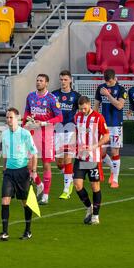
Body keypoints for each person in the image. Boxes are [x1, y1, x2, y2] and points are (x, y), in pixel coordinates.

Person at [0, 108, 38, 241]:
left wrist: (33, 172)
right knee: (5, 200)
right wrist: (4, 168)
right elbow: (5, 153)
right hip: (9, 173)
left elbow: (34, 153)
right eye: (7, 117)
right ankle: (4, 232)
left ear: (17, 118)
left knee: (25, 202)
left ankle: (28, 230)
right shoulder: (5, 134)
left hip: (22, 172)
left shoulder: (25, 134)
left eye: (11, 117)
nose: (8, 120)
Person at [23, 74, 63, 205]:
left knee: (46, 164)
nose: (38, 82)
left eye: (41, 81)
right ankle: (39, 184)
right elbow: (27, 112)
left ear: (47, 83)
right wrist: (26, 123)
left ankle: (45, 195)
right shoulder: (30, 96)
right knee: (29, 164)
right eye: (37, 80)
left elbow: (59, 118)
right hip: (33, 133)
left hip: (47, 133)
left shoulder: (52, 99)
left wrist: (45, 123)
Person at [73, 96, 110, 225]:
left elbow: (106, 136)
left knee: (95, 186)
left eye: (84, 108)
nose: (83, 111)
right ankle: (89, 207)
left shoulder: (98, 118)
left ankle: (95, 215)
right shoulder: (77, 117)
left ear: (89, 104)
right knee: (77, 185)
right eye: (81, 108)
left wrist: (94, 146)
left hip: (93, 158)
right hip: (80, 157)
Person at [94, 68, 127, 189]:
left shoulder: (121, 89)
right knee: (101, 153)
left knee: (114, 152)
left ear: (114, 78)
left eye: (109, 81)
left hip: (116, 124)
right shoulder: (100, 88)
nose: (107, 84)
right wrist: (94, 121)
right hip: (103, 125)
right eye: (106, 81)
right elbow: (96, 106)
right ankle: (113, 169)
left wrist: (108, 95)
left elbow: (119, 106)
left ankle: (115, 178)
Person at [51, 70, 81, 199]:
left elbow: (82, 112)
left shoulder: (76, 96)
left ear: (70, 80)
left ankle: (66, 190)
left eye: (65, 79)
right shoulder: (54, 95)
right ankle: (69, 176)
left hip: (70, 130)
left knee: (68, 158)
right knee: (59, 162)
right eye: (61, 79)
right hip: (57, 130)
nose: (63, 82)